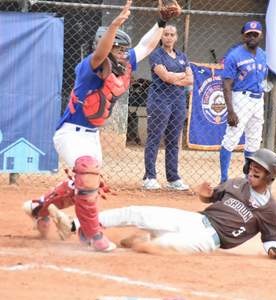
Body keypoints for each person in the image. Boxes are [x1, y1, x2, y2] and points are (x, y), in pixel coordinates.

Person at [22, 0, 180, 252]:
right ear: (107, 47)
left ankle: (38, 208)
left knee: (86, 186)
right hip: (71, 133)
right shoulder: (89, 66)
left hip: (91, 136)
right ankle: (91, 234)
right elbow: (100, 53)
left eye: (123, 50)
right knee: (87, 172)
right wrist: (114, 25)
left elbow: (146, 46)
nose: (122, 55)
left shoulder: (123, 63)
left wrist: (161, 23)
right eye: (117, 49)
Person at [61, 148, 276, 260]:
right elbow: (209, 199)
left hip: (209, 240)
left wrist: (274, 251)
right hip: (196, 219)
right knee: (136, 212)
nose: (253, 169)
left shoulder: (271, 209)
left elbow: (269, 239)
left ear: (270, 175)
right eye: (252, 165)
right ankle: (72, 224)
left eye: (259, 168)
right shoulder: (236, 183)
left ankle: (145, 238)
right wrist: (204, 195)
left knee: (160, 247)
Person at [143, 25, 193, 191]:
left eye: (172, 34)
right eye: (166, 34)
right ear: (161, 37)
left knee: (173, 140)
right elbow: (164, 76)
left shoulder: (182, 56)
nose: (169, 37)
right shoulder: (156, 55)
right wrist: (179, 76)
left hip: (178, 101)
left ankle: (173, 178)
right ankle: (149, 177)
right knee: (154, 138)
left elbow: (190, 79)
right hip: (159, 101)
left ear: (176, 37)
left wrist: (173, 78)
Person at [219, 21, 268, 183]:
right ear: (243, 36)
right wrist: (230, 110)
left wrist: (267, 87)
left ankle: (249, 179)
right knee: (231, 138)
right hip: (241, 98)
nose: (252, 37)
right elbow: (226, 84)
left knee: (254, 141)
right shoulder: (234, 55)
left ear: (260, 35)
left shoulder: (263, 55)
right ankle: (224, 179)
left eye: (255, 34)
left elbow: (268, 78)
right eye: (249, 34)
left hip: (258, 99)